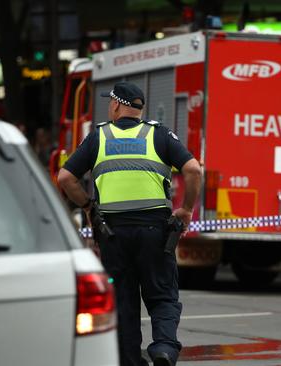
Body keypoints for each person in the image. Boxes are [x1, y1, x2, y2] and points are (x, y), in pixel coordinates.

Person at [58, 81, 202, 366]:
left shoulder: (98, 137)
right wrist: (185, 209)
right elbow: (193, 169)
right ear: (139, 109)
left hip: (112, 235)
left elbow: (65, 178)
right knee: (162, 297)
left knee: (123, 304)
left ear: (115, 105)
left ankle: (129, 361)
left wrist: (88, 206)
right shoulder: (159, 135)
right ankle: (163, 348)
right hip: (155, 233)